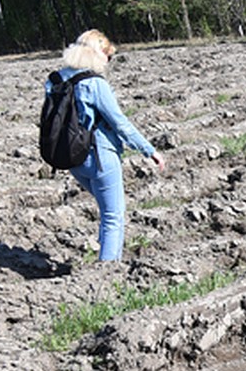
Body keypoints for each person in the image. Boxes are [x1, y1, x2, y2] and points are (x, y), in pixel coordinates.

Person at [47, 29, 166, 262]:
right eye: (107, 55)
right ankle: (108, 271)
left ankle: (105, 256)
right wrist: (150, 151)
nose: (108, 61)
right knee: (114, 216)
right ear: (97, 54)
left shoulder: (55, 80)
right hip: (100, 157)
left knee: (107, 209)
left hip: (72, 158)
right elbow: (119, 123)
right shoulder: (94, 83)